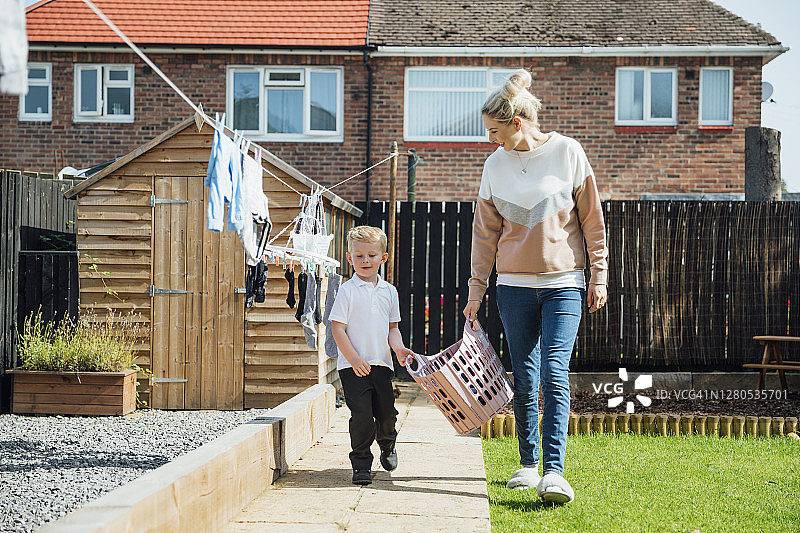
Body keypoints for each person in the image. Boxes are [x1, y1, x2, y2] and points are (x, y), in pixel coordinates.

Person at [463, 69, 608, 504]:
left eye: (494, 131)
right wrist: (476, 292)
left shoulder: (568, 153)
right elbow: (484, 236)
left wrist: (598, 275)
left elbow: (593, 223)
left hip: (564, 283)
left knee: (554, 371)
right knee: (524, 376)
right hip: (512, 287)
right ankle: (527, 465)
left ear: (517, 123)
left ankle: (555, 472)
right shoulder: (494, 165)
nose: (490, 139)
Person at [329, 225, 414, 486]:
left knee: (387, 413)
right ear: (349, 257)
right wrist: (354, 359)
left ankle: (387, 445)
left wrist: (399, 349)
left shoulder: (389, 292)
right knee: (362, 416)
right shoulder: (347, 291)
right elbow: (337, 328)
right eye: (359, 256)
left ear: (383, 258)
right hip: (353, 367)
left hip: (381, 365)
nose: (365, 261)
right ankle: (361, 464)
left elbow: (393, 329)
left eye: (371, 255)